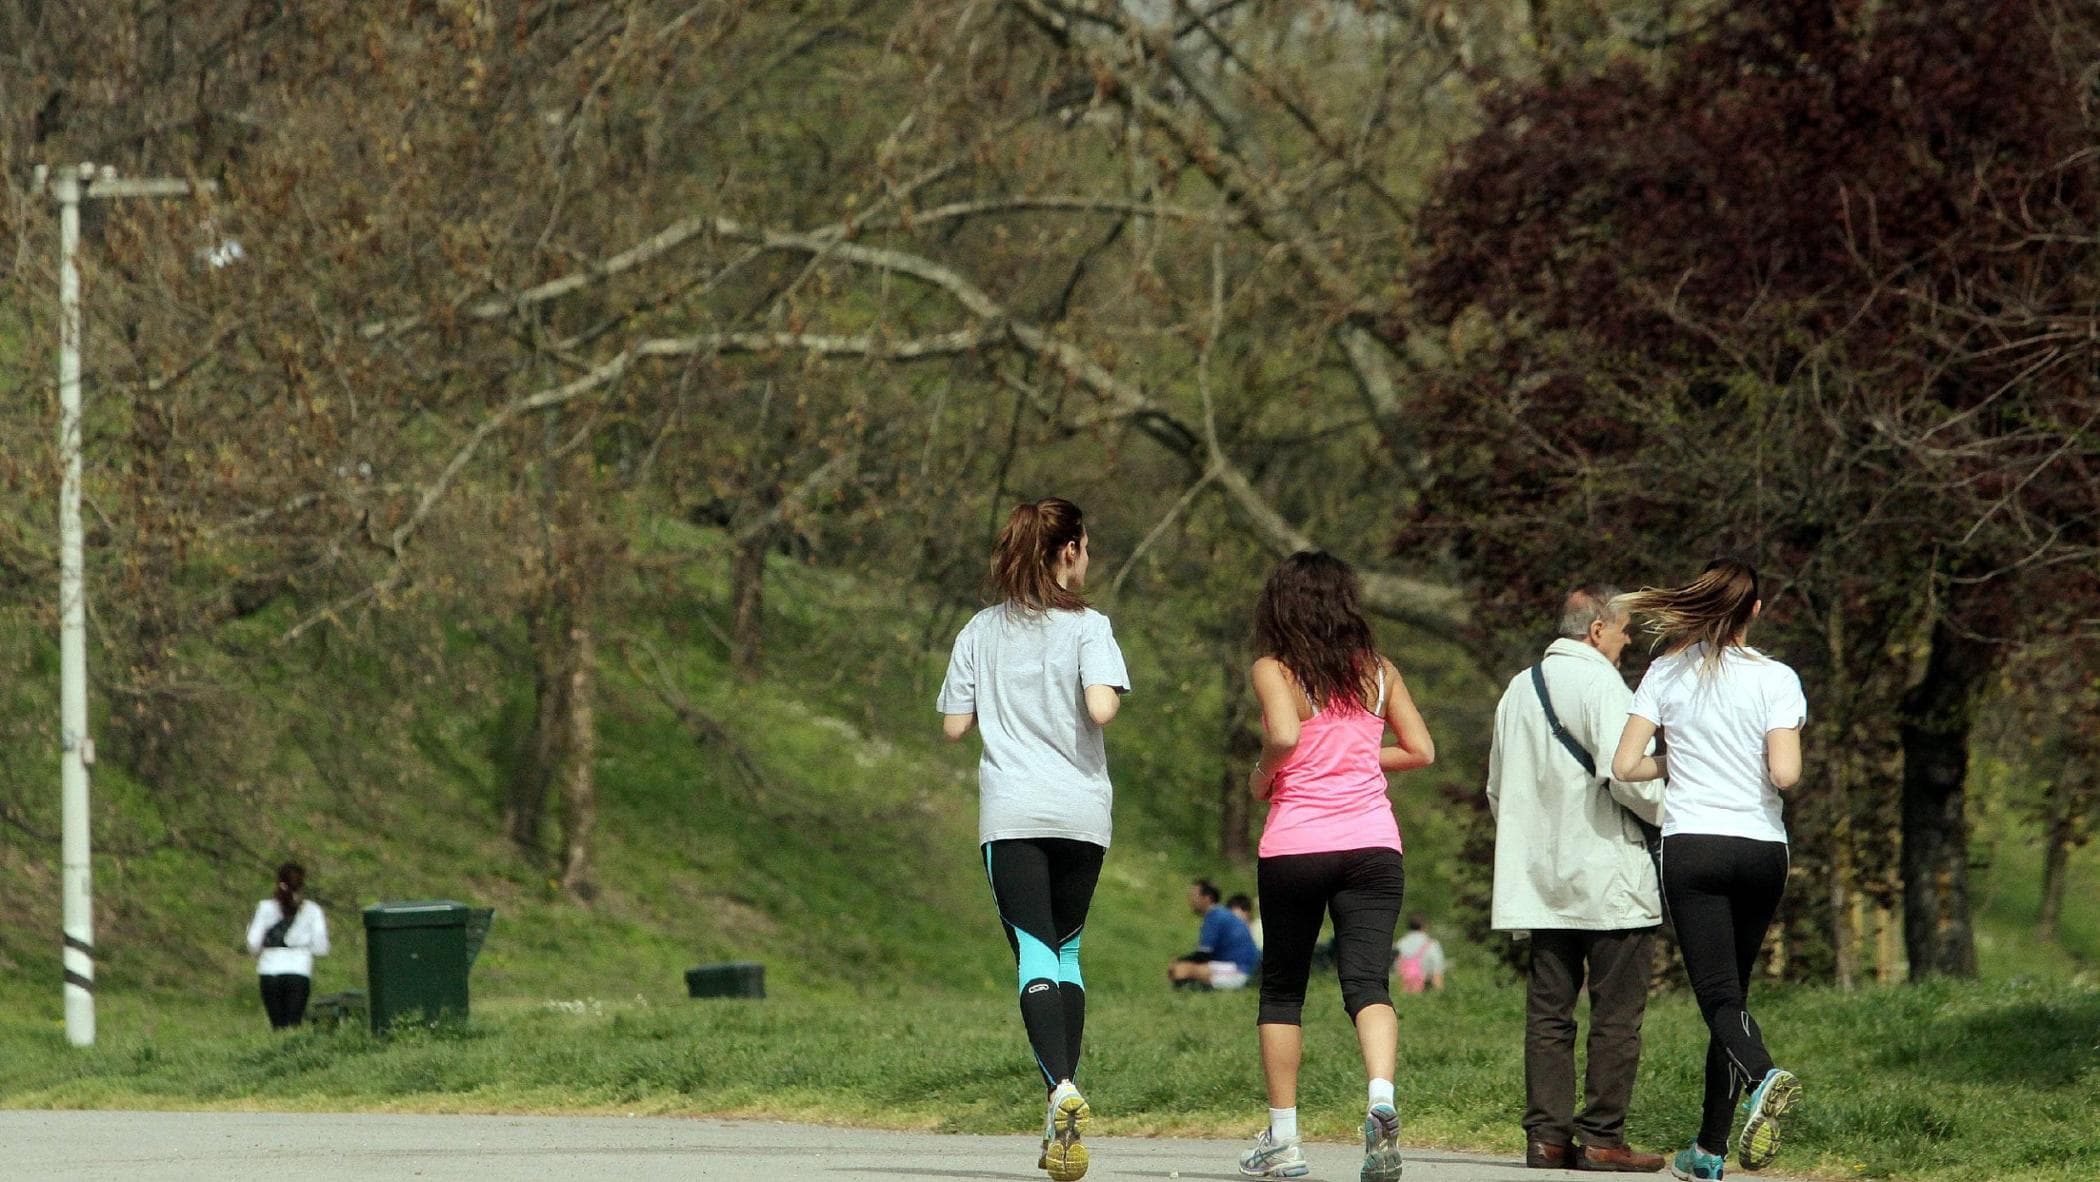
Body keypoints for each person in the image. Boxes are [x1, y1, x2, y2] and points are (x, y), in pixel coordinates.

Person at [939, 497, 1130, 1182]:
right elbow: (1103, 706)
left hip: (1014, 812)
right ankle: (1061, 1108)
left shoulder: (979, 631)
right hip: (1083, 814)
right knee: (1068, 948)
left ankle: (1061, 1091)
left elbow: (954, 726)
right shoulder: (1092, 628)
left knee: (1033, 950)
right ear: (1071, 550)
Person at [1237, 552, 1435, 1182]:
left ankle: (1285, 1140)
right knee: (1367, 985)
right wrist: (1358, 759)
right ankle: (1381, 1100)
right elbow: (1421, 750)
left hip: (1297, 845)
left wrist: (1264, 774)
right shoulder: (1378, 671)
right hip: (1373, 846)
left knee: (1283, 991)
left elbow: (1287, 738)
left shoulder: (1274, 668)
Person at [1609, 561, 1805, 1181]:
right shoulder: (1778, 678)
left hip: (1693, 847)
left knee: (1718, 997)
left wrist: (1682, 759)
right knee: (1733, 997)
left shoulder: (1665, 671)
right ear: (1753, 611)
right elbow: (1785, 774)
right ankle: (1710, 1151)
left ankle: (1763, 1074)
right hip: (1760, 850)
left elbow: (1624, 765)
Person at [1486, 586, 1667, 1172]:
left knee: (1548, 1014)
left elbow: (1496, 789)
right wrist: (1674, 817)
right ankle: (1601, 1138)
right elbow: (1632, 777)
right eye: (1623, 630)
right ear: (1595, 631)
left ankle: (1546, 1138)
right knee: (1616, 1014)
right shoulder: (1603, 686)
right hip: (1608, 873)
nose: (1628, 639)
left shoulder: (1518, 687)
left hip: (1539, 879)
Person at [244, 861, 329, 1030]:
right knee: (293, 1026)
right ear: (302, 884)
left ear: (278, 882)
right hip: (299, 970)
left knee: (278, 1026)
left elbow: (253, 943)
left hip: (270, 971)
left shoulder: (265, 908)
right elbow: (321, 947)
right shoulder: (312, 910)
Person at [1169, 879, 1261, 990]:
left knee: (1183, 970)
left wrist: (1180, 962)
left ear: (1207, 898)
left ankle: (1198, 986)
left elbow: (1203, 955)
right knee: (1185, 969)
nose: (1191, 900)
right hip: (1236, 967)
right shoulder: (1221, 915)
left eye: (1194, 896)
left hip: (1239, 971)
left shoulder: (1215, 917)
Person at [1390, 915, 1446, 994]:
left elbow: (1396, 965)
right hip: (1425, 985)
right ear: (1424, 926)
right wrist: (1440, 993)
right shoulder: (1430, 943)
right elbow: (1437, 969)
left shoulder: (1400, 943)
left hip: (1405, 985)